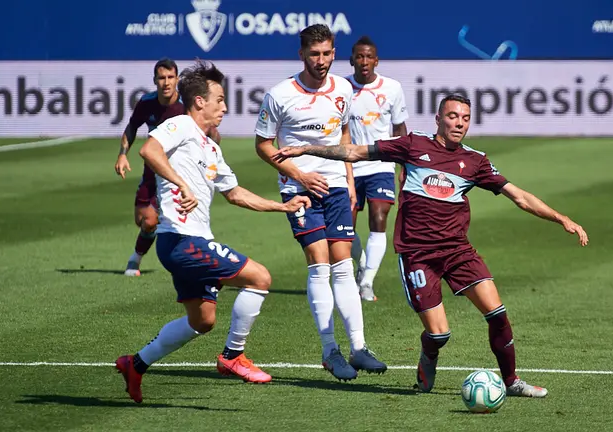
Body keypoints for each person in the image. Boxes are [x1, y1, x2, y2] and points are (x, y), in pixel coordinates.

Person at [271, 94, 589, 397]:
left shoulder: (475, 161)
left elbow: (519, 196)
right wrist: (305, 150)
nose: (459, 123)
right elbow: (353, 152)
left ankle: (511, 381)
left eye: (465, 118)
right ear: (438, 118)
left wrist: (561, 218)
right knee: (439, 334)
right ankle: (428, 357)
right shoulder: (413, 145)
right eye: (452, 116)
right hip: (418, 255)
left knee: (497, 313)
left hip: (458, 252)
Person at [115, 60, 311, 403]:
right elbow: (149, 150)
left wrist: (282, 206)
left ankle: (136, 364)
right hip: (180, 239)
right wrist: (180, 184)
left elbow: (235, 194)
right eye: (219, 99)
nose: (224, 106)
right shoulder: (179, 125)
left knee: (202, 321)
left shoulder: (211, 147)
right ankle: (233, 356)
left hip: (192, 242)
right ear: (199, 101)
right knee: (260, 278)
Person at [254, 24, 387, 382]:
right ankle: (330, 350)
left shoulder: (343, 88)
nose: (322, 61)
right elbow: (263, 144)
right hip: (298, 190)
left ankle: (359, 348)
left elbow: (344, 135)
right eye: (315, 54)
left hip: (337, 189)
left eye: (327, 53)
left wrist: (349, 179)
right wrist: (299, 175)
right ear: (301, 55)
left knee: (344, 265)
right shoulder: (280, 95)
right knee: (320, 263)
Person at [114, 57, 221, 277]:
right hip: (153, 168)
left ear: (177, 79)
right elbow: (132, 127)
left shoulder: (184, 106)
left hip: (178, 172)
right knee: (144, 222)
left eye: (170, 77)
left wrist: (210, 147)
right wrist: (123, 155)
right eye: (161, 78)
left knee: (154, 220)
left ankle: (136, 259)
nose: (166, 82)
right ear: (155, 80)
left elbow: (209, 132)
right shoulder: (147, 102)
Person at [345, 35, 408, 302]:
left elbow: (400, 128)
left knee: (379, 218)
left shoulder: (392, 88)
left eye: (369, 56)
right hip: (348, 165)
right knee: (346, 227)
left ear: (376, 60)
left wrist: (406, 163)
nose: (364, 61)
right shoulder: (341, 88)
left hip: (380, 163)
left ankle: (368, 282)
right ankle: (362, 264)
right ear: (351, 60)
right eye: (359, 56)